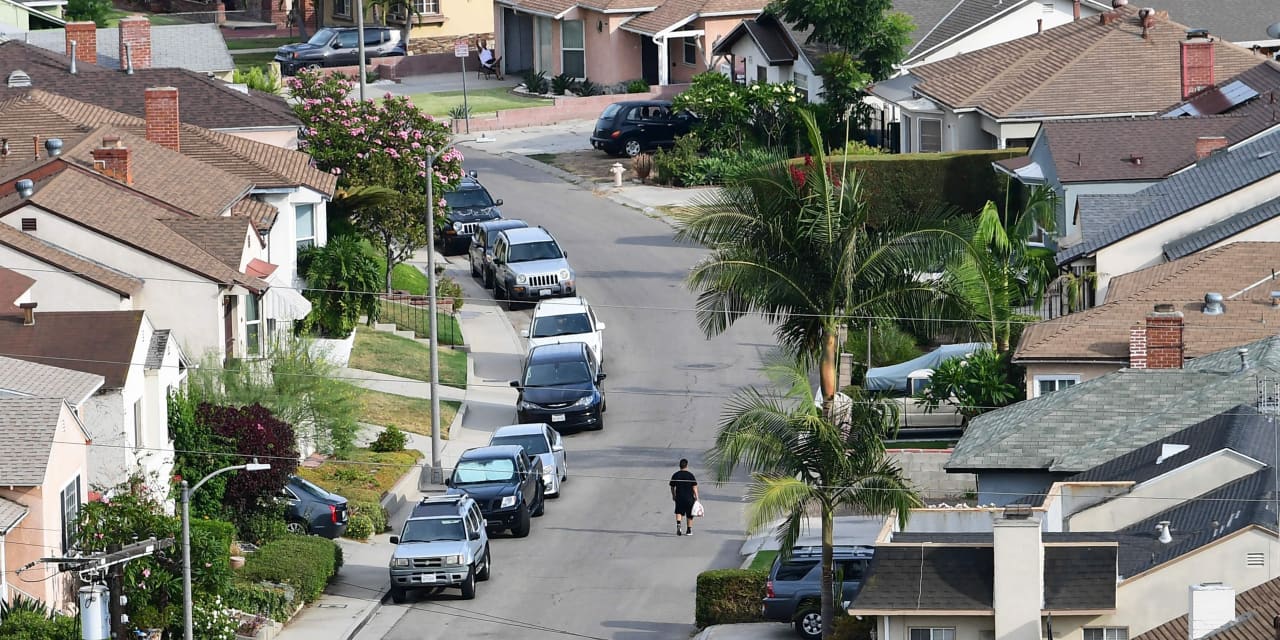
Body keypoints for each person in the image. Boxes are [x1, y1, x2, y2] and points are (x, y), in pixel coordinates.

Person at [670, 458, 699, 536]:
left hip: (679, 497)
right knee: (689, 514)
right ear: (686, 465)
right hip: (689, 498)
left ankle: (678, 525)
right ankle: (689, 530)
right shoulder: (690, 475)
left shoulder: (675, 475)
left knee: (679, 511)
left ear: (680, 466)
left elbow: (672, 486)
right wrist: (696, 497)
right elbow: (694, 487)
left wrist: (673, 495)